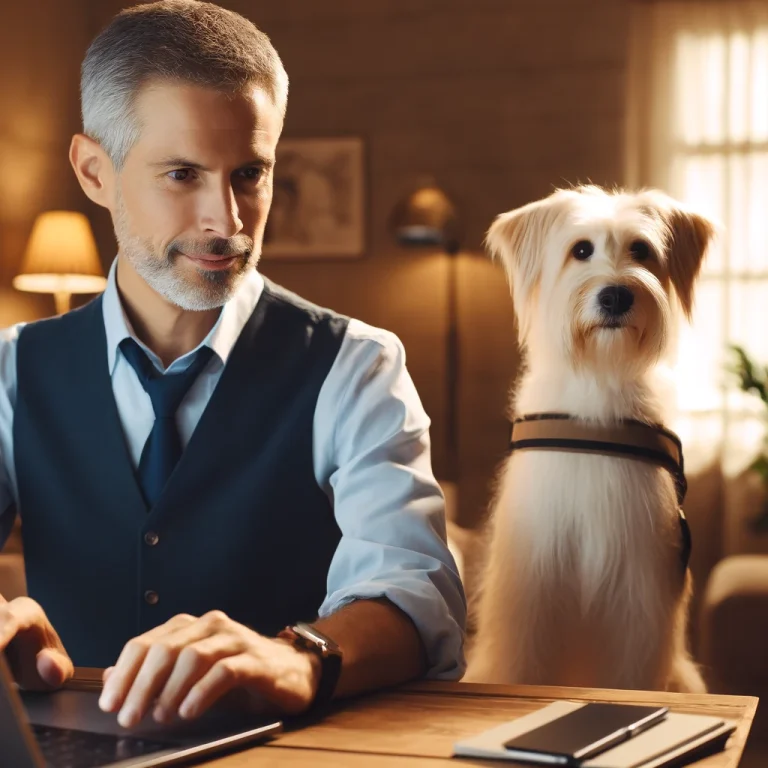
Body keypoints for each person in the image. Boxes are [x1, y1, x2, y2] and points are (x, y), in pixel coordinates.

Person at [0, 0, 465, 730]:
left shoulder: (357, 365)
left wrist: (298, 657)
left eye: (250, 173)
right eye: (183, 174)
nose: (229, 221)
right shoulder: (12, 372)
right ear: (95, 173)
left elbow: (417, 596)